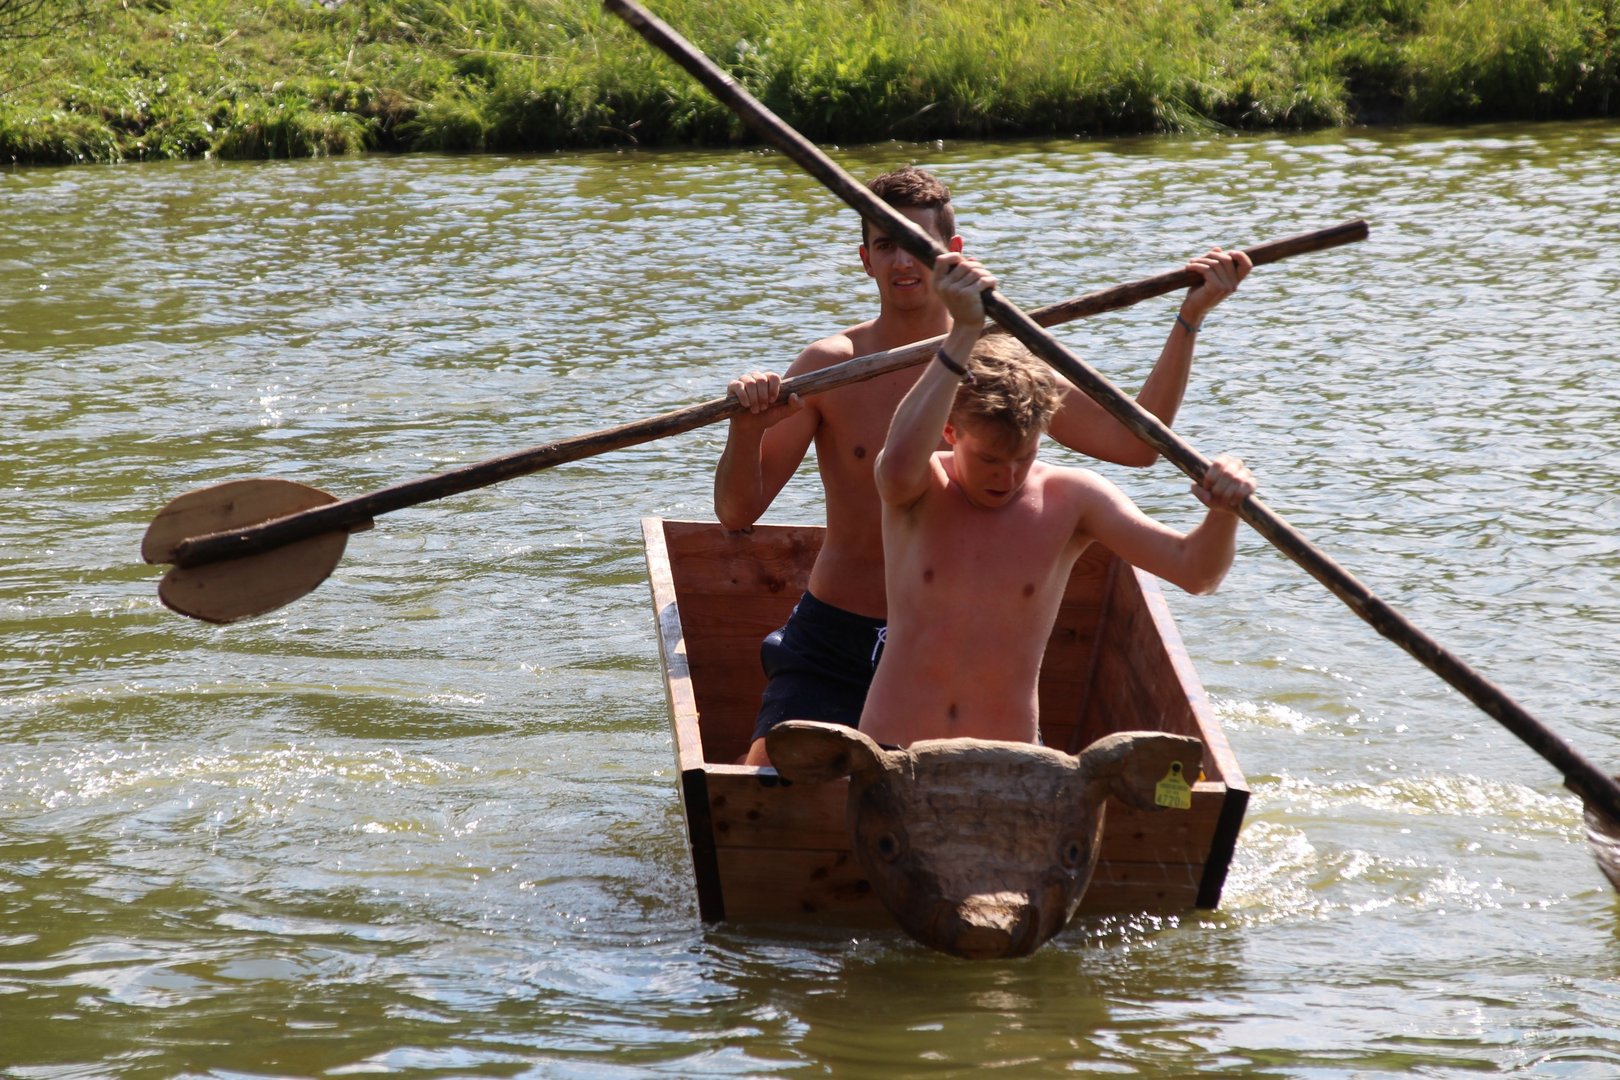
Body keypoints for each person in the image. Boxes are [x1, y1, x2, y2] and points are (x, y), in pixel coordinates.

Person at [716, 167, 1251, 765]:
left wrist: (1189, 320)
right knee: (760, 782)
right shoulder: (831, 364)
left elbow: (1136, 444)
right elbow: (737, 513)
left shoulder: (1002, 369)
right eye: (886, 245)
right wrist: (745, 429)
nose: (903, 262)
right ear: (866, 260)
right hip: (838, 632)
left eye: (917, 244)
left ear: (953, 251)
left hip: (960, 647)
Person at [858, 251, 1255, 747]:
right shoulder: (916, 487)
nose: (1007, 477)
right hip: (895, 748)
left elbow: (1196, 572)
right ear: (951, 432)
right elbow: (896, 463)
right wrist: (964, 331)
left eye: (1022, 457)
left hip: (1009, 758)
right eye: (988, 459)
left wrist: (1223, 514)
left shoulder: (1073, 499)